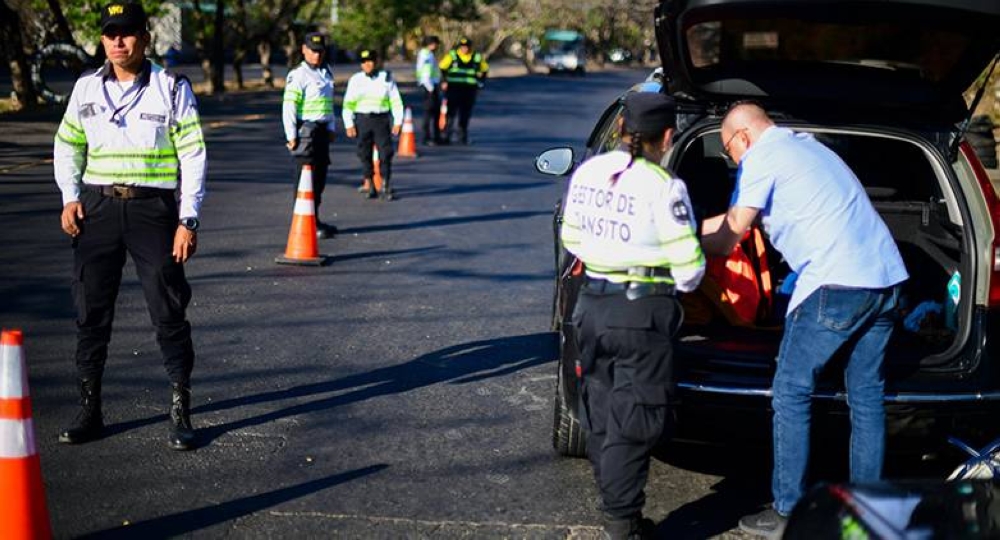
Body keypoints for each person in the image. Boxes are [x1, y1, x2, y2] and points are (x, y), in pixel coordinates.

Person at [700, 102, 908, 538]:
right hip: (888, 281)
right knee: (867, 398)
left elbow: (729, 238)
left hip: (835, 285)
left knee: (792, 391)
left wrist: (679, 241)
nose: (732, 161)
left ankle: (788, 510)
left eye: (728, 151)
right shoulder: (811, 149)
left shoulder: (761, 156)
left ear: (742, 137)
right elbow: (744, 222)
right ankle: (866, 510)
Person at [52, 1, 206, 451]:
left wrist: (188, 218)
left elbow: (193, 156)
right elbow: (67, 147)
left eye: (127, 32)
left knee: (168, 310)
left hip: (152, 212)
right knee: (91, 312)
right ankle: (90, 408)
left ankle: (180, 408)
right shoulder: (85, 89)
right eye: (110, 33)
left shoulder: (171, 86)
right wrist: (69, 198)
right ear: (102, 39)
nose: (118, 41)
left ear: (145, 36)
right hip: (97, 209)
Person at [560, 92, 706, 540]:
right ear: (666, 136)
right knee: (635, 419)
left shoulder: (588, 173)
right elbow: (690, 271)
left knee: (602, 411)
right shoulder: (664, 187)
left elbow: (571, 237)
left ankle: (616, 506)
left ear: (622, 129)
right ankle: (621, 524)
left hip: (592, 305)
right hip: (641, 312)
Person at [283, 32, 337, 239]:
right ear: (303, 50)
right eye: (313, 51)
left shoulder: (326, 72)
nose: (317, 55)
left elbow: (328, 103)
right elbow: (289, 106)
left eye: (320, 51)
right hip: (306, 131)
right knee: (306, 177)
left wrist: (332, 126)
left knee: (320, 178)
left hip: (322, 131)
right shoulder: (298, 75)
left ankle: (314, 218)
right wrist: (291, 135)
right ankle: (304, 222)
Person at [342, 49, 404, 201]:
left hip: (381, 120)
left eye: (370, 61)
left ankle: (385, 185)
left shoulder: (386, 78)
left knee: (385, 153)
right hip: (363, 120)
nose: (367, 65)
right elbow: (348, 103)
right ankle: (368, 183)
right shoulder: (355, 80)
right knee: (364, 153)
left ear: (376, 62)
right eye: (364, 62)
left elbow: (396, 101)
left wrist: (398, 121)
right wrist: (348, 123)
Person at [438, 37, 488, 145]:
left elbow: (484, 70)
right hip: (453, 88)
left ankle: (463, 137)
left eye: (466, 47)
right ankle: (446, 136)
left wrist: (481, 83)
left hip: (469, 90)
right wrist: (444, 81)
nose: (464, 49)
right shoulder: (452, 55)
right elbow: (442, 67)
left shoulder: (476, 57)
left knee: (465, 114)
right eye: (462, 47)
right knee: (451, 113)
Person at [414, 35, 443, 146]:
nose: (436, 46)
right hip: (429, 87)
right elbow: (426, 73)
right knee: (430, 113)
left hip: (430, 86)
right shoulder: (426, 55)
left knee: (434, 113)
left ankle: (435, 136)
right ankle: (428, 137)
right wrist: (430, 88)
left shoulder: (427, 54)